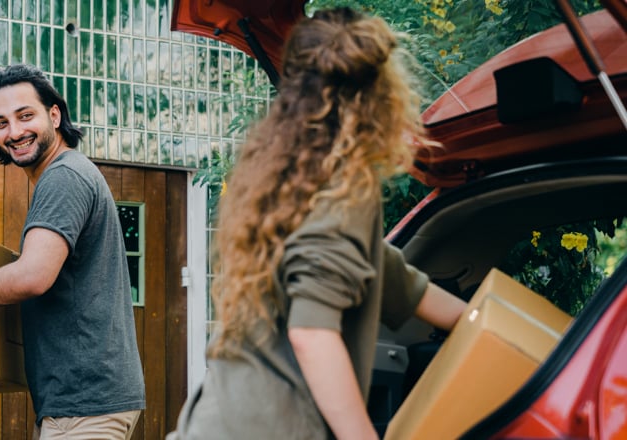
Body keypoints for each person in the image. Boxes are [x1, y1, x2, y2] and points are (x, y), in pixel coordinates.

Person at [168, 7, 467, 440]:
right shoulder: (344, 189)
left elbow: (390, 274)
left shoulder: (285, 178)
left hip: (219, 420)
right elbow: (311, 332)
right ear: (378, 96)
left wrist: (490, 320)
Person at [0, 64, 145, 440]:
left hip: (84, 404)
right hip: (77, 402)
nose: (14, 132)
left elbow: (33, 275)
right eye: (1, 123)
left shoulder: (64, 177)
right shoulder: (67, 175)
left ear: (54, 114)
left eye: (25, 116)